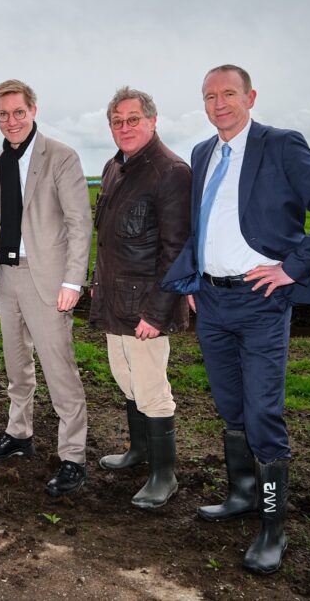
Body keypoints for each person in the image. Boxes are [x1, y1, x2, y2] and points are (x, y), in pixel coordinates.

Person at [162, 65, 310, 574]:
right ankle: (242, 496)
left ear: (250, 96)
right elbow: (201, 224)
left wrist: (293, 267)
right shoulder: (203, 153)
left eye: (228, 94)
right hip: (212, 301)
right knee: (230, 406)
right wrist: (196, 276)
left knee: (263, 412)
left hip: (261, 300)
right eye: (209, 96)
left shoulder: (281, 144)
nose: (219, 104)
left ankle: (273, 527)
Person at [0, 79, 92, 497]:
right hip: (6, 275)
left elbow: (80, 223)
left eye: (18, 112)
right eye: (3, 115)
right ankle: (19, 434)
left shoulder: (61, 156)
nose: (11, 121)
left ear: (33, 109)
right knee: (16, 366)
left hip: (47, 279)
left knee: (59, 370)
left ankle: (73, 457)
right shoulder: (0, 159)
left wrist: (72, 281)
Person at [88, 87, 191, 510]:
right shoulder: (115, 168)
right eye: (117, 121)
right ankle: (139, 450)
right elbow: (108, 240)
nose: (124, 127)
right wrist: (97, 284)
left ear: (152, 121)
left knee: (151, 387)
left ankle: (163, 475)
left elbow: (176, 249)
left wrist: (158, 310)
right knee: (124, 375)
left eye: (133, 119)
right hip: (114, 297)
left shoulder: (171, 172)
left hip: (146, 304)